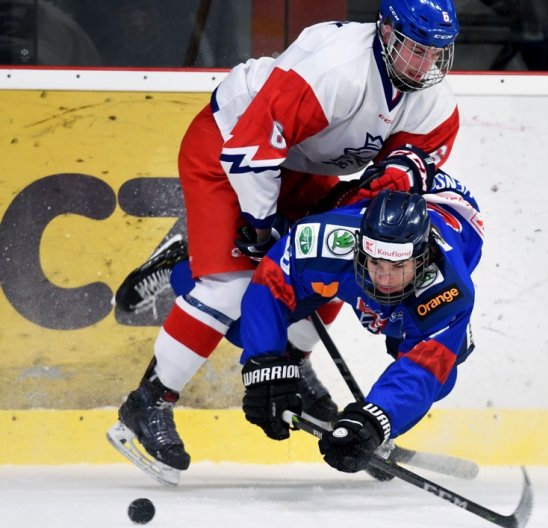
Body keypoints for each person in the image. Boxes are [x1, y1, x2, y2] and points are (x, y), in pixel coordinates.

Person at [108, 0, 462, 482]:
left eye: (434, 53)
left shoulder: (435, 105)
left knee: (335, 268)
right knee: (231, 287)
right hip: (230, 144)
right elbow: (252, 145)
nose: (424, 65)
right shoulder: (337, 68)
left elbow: (387, 185)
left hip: (303, 167)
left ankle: (291, 358)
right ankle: (147, 403)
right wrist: (260, 228)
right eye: (414, 49)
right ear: (386, 31)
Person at [240, 181, 483, 473]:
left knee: (442, 373)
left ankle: (444, 340)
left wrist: (375, 420)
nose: (384, 278)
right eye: (376, 262)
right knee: (239, 324)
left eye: (397, 267)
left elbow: (422, 370)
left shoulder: (449, 290)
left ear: (423, 259)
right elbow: (272, 281)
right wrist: (265, 363)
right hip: (383, 189)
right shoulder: (327, 240)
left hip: (452, 222)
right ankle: (183, 267)